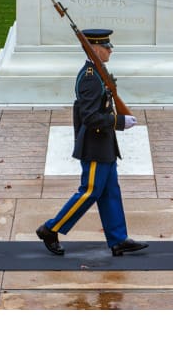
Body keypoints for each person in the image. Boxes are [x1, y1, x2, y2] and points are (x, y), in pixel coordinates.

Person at [36, 28, 149, 257]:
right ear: (95, 49)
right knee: (89, 192)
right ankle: (51, 228)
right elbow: (90, 117)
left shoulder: (98, 72)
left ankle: (118, 239)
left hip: (104, 144)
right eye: (107, 47)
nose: (110, 50)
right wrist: (119, 121)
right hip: (94, 145)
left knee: (110, 192)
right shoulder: (90, 77)